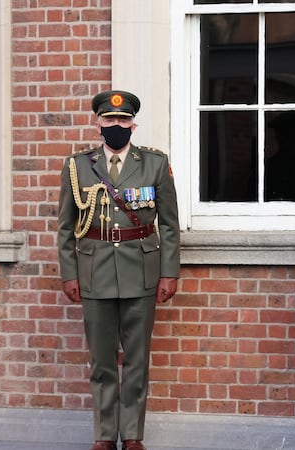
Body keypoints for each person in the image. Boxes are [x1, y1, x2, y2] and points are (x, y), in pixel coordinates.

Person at [57, 90, 181, 450]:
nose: (116, 125)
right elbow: (65, 226)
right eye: (109, 120)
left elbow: (169, 225)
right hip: (93, 270)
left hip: (141, 269)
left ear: (133, 124)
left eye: (123, 120)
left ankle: (133, 436)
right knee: (102, 360)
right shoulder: (78, 165)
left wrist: (169, 273)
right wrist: (69, 273)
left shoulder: (154, 164)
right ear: (98, 123)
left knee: (137, 359)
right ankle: (104, 435)